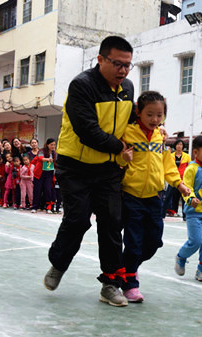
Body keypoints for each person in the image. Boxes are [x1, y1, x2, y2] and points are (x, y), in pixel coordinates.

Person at [43, 36, 135, 307]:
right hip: (75, 166)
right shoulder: (82, 85)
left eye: (128, 65)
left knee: (111, 224)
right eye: (118, 64)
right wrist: (120, 147)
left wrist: (152, 129)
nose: (123, 71)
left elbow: (132, 121)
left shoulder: (127, 88)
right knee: (78, 219)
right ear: (101, 59)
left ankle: (111, 283)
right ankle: (58, 264)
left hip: (108, 168)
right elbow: (87, 131)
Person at [119, 91, 190, 301]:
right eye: (150, 114)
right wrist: (122, 158)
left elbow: (166, 165)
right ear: (138, 113)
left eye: (159, 115)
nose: (155, 120)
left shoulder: (160, 136)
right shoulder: (126, 132)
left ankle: (128, 268)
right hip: (131, 195)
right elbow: (118, 159)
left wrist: (179, 183)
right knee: (133, 241)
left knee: (153, 242)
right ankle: (130, 283)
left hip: (155, 197)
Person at [174, 135, 202, 281]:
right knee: (196, 240)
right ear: (196, 152)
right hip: (194, 213)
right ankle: (181, 256)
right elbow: (187, 186)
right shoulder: (191, 168)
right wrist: (190, 198)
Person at [162, 139, 191, 218]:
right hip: (173, 179)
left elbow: (189, 167)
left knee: (184, 197)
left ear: (183, 146)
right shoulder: (171, 155)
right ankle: (163, 214)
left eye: (181, 144)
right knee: (168, 197)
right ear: (175, 146)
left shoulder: (187, 156)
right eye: (177, 144)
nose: (179, 146)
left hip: (183, 179)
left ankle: (185, 215)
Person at [32, 138, 57, 213]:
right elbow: (40, 158)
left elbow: (56, 164)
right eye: (51, 145)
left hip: (49, 174)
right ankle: (34, 207)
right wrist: (47, 159)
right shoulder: (41, 151)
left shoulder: (54, 153)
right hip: (39, 173)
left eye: (54, 145)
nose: (53, 146)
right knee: (37, 190)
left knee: (48, 190)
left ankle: (48, 208)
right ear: (47, 145)